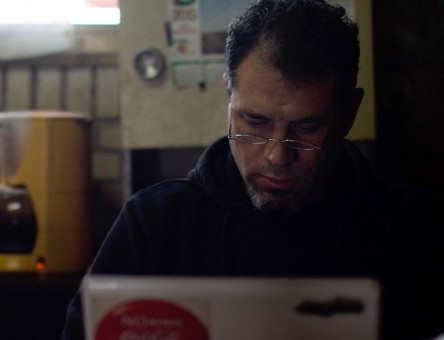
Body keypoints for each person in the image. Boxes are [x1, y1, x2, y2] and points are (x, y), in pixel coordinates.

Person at [62, 0, 444, 339]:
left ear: (348, 114)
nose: (277, 156)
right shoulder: (155, 225)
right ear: (228, 94)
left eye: (307, 128)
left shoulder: (415, 228)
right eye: (255, 123)